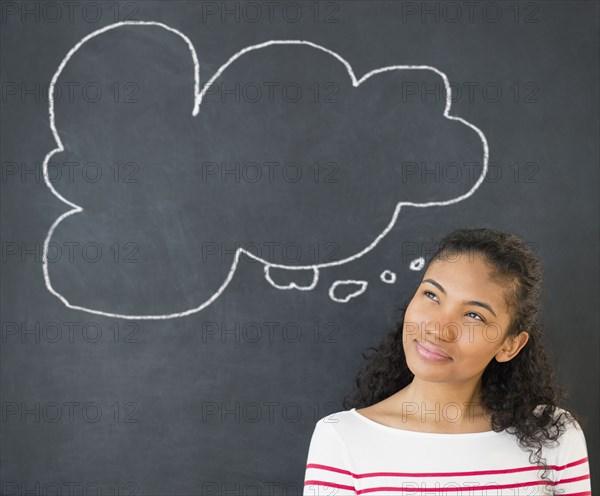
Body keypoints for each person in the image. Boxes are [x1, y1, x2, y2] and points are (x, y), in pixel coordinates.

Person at [303, 227, 591, 495]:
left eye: (474, 315)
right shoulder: (341, 438)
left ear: (509, 345)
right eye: (431, 294)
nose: (438, 329)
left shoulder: (556, 437)